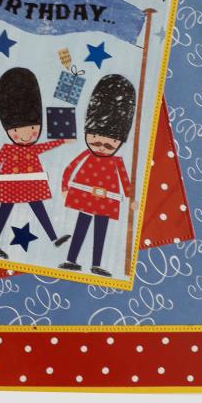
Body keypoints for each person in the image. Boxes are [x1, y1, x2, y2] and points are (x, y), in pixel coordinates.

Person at [0, 67, 72, 259]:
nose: (25, 135)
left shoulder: (32, 149)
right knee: (5, 211)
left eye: (32, 129)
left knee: (39, 208)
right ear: (8, 131)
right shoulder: (8, 149)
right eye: (16, 131)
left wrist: (63, 140)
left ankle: (54, 238)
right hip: (10, 185)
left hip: (31, 184)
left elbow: (46, 146)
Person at [59, 74, 138, 277]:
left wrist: (130, 198)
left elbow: (125, 181)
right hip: (85, 198)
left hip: (106, 201)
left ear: (119, 140)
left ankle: (96, 264)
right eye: (95, 137)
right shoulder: (87, 155)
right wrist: (65, 187)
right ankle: (71, 259)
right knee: (81, 227)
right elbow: (69, 168)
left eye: (111, 141)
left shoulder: (116, 162)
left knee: (100, 233)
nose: (102, 146)